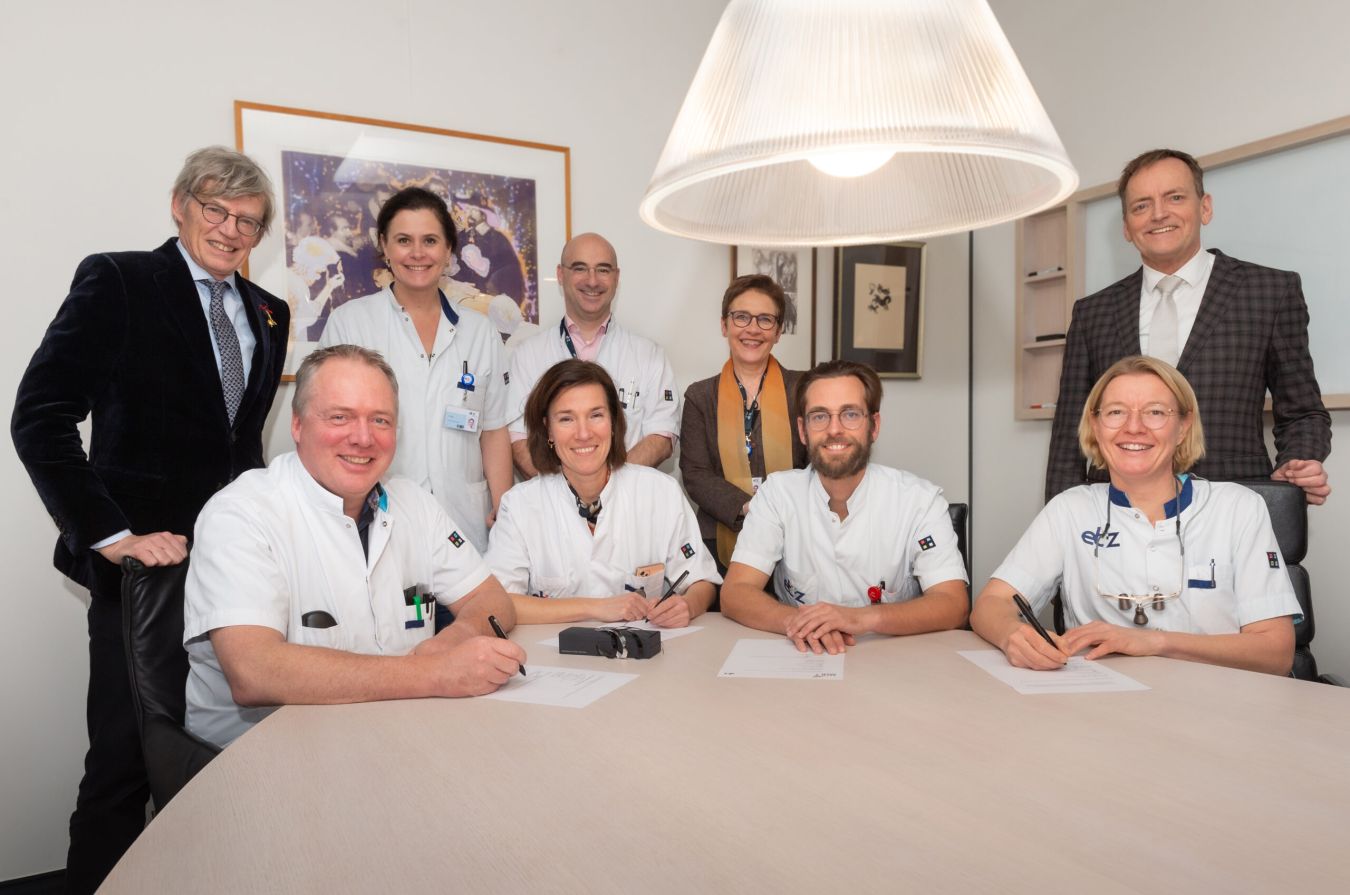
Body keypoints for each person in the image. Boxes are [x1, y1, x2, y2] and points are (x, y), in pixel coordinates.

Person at [10, 146, 289, 892]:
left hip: (235, 568)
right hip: (143, 573)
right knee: (125, 759)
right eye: (215, 209)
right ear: (179, 205)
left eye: (249, 221)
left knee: (225, 748)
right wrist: (110, 536)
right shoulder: (120, 279)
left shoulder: (271, 311)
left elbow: (241, 443)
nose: (231, 230)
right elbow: (40, 417)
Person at [184, 345, 526, 749]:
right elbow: (253, 671)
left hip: (388, 736)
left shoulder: (414, 504)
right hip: (260, 754)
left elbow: (493, 600)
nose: (363, 438)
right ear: (297, 425)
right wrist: (436, 673)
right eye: (340, 417)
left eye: (380, 420)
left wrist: (452, 641)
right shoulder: (240, 513)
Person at [976, 356, 1301, 676]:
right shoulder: (1069, 509)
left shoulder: (1238, 507)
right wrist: (1012, 634)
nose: (1134, 427)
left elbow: (1276, 653)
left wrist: (1155, 642)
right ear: (1096, 425)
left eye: (1155, 412)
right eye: (1116, 412)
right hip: (1101, 699)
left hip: (1217, 701)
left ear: (1183, 427)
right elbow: (992, 604)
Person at [1046, 148, 1331, 505]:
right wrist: (1061, 519)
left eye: (1175, 197)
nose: (1158, 214)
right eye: (1141, 206)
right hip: (1116, 508)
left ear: (1205, 207)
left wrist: (1298, 460)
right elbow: (1069, 434)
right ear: (1126, 227)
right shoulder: (1093, 312)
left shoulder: (1270, 292)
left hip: (1232, 505)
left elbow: (1303, 412)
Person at [720, 361, 969, 654]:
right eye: (819, 416)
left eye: (850, 414)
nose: (834, 429)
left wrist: (860, 618)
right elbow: (735, 593)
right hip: (803, 656)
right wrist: (803, 623)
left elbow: (953, 603)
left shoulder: (919, 501)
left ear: (874, 426)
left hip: (895, 662)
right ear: (802, 430)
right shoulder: (777, 495)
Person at [320, 187, 511, 553]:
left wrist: (504, 508)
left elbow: (493, 429)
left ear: (448, 249)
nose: (418, 253)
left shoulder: (480, 332)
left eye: (430, 241)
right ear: (384, 246)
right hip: (377, 515)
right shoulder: (350, 323)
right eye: (404, 240)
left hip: (463, 520)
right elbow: (327, 427)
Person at [487, 360, 719, 627]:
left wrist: (687, 605)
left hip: (647, 649)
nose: (583, 433)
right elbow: (498, 603)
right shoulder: (519, 505)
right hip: (553, 652)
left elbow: (702, 581)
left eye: (596, 415)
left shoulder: (660, 492)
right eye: (566, 419)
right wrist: (597, 608)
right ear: (548, 430)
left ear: (613, 422)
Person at [506, 232, 679, 478]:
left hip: (627, 496)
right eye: (580, 268)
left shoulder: (650, 356)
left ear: (616, 277)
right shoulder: (526, 355)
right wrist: (564, 493)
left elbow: (661, 436)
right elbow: (518, 437)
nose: (592, 280)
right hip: (550, 498)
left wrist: (608, 487)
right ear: (560, 274)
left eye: (603, 270)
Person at [679, 274, 808, 575]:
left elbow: (817, 465)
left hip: (795, 535)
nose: (752, 328)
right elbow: (695, 474)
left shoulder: (804, 390)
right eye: (741, 317)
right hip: (719, 536)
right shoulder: (700, 396)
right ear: (724, 325)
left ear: (778, 331)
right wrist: (751, 508)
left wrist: (782, 509)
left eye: (765, 319)